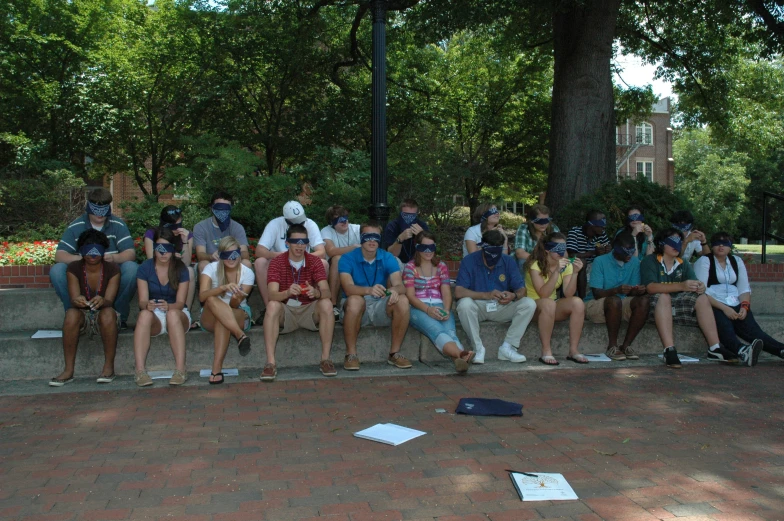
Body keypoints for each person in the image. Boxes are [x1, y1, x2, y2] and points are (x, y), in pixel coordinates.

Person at [50, 187, 136, 329]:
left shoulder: (118, 224)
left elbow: (130, 253)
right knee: (57, 270)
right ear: (88, 206)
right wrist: (82, 259)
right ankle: (74, 315)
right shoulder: (76, 226)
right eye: (96, 208)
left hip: (110, 276)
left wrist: (113, 258)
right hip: (83, 277)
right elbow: (59, 255)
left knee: (132, 268)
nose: (100, 214)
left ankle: (118, 316)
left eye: (104, 208)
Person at [640, 228, 725, 368]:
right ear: (661, 244)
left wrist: (699, 286)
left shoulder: (683, 263)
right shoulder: (650, 261)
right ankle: (669, 350)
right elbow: (650, 287)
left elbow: (693, 283)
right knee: (664, 296)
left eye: (679, 242)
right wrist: (681, 286)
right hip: (655, 309)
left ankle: (715, 348)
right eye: (672, 242)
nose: (677, 245)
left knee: (702, 298)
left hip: (679, 307)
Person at [261, 224, 336, 381]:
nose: (300, 245)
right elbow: (272, 295)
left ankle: (326, 359)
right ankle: (270, 363)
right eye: (295, 241)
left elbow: (327, 292)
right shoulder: (277, 262)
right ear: (287, 243)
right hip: (286, 309)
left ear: (308, 243)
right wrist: (287, 292)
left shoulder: (315, 261)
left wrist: (317, 293)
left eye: (303, 241)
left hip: (309, 309)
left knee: (327, 304)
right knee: (272, 306)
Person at [49, 230, 120, 386]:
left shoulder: (112, 269)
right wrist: (79, 300)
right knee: (71, 315)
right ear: (81, 251)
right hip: (83, 314)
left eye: (96, 251)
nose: (92, 255)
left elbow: (110, 299)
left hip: (105, 313)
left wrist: (103, 300)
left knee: (108, 314)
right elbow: (74, 298)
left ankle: (109, 367)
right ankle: (68, 370)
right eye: (87, 250)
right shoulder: (74, 268)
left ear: (103, 251)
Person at [455, 229, 536, 364]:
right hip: (478, 306)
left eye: (496, 252)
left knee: (529, 303)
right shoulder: (469, 260)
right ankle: (478, 348)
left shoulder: (508, 261)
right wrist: (485, 295)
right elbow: (458, 292)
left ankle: (507, 347)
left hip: (501, 306)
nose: (493, 256)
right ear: (482, 246)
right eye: (490, 252)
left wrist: (513, 295)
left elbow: (522, 290)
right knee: (464, 304)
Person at [694, 232, 778, 363]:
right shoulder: (705, 261)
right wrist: (725, 309)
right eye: (717, 243)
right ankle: (742, 351)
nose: (721, 246)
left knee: (754, 331)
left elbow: (744, 288)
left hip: (735, 302)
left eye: (725, 243)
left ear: (730, 246)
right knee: (725, 327)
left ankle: (780, 350)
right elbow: (701, 291)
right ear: (712, 245)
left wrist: (744, 306)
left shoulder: (736, 261)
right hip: (714, 303)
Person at [338, 222, 412, 371]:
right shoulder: (347, 258)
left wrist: (392, 291)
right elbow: (348, 288)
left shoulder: (387, 257)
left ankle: (394, 353)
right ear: (361, 239)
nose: (372, 241)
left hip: (380, 305)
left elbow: (400, 285)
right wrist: (368, 290)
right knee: (354, 301)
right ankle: (351, 354)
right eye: (367, 237)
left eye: (376, 237)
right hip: (356, 306)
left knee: (402, 300)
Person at [404, 231, 475, 373]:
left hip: (439, 304)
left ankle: (459, 361)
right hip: (418, 307)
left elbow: (446, 291)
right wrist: (427, 309)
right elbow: (410, 296)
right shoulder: (410, 267)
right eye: (424, 247)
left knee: (450, 332)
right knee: (438, 331)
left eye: (432, 247)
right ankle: (461, 354)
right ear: (417, 247)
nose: (429, 251)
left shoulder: (441, 266)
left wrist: (447, 309)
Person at [133, 227, 191, 387]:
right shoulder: (145, 267)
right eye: (159, 249)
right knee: (143, 314)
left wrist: (169, 306)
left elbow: (180, 303)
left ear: (173, 249)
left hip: (177, 313)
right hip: (155, 315)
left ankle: (180, 369)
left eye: (167, 249)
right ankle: (140, 371)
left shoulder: (181, 268)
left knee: (172, 314)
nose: (163, 253)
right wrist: (148, 305)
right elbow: (142, 301)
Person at [524, 232, 588, 365]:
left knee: (577, 303)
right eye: (557, 248)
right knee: (548, 303)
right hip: (532, 307)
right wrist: (556, 272)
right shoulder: (535, 265)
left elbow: (568, 294)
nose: (561, 252)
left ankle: (573, 350)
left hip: (551, 306)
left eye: (564, 248)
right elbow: (543, 294)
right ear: (547, 249)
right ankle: (546, 351)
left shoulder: (566, 265)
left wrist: (575, 272)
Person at [585, 232, 650, 360]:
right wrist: (616, 290)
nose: (629, 255)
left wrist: (638, 290)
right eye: (626, 252)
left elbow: (631, 291)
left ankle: (626, 345)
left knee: (643, 301)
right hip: (596, 303)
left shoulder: (635, 262)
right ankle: (612, 346)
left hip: (620, 301)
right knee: (614, 300)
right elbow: (597, 293)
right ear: (616, 248)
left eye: (632, 251)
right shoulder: (600, 261)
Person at [199, 236, 254, 384]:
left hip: (237, 312)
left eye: (234, 254)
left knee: (222, 320)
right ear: (220, 256)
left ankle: (216, 370)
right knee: (211, 299)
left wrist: (235, 298)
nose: (231, 258)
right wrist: (222, 288)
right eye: (226, 255)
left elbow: (235, 306)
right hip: (210, 314)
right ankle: (239, 335)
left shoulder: (247, 273)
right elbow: (202, 297)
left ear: (239, 255)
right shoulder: (210, 268)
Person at [254, 201, 327, 309]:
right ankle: (268, 306)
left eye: (301, 221)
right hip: (279, 265)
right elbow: (259, 251)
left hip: (303, 263)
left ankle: (315, 305)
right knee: (260, 262)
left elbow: (321, 252)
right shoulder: (275, 224)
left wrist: (303, 258)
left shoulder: (310, 224)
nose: (300, 224)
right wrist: (282, 256)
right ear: (286, 219)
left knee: (323, 263)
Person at [144, 205, 197, 324]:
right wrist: (169, 257)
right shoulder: (152, 234)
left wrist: (184, 241)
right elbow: (150, 260)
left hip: (177, 270)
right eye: (173, 226)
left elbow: (187, 262)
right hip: (159, 268)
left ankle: (185, 312)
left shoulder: (186, 234)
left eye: (179, 224)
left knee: (189, 271)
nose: (177, 229)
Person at [193, 191, 252, 275]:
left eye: (226, 208)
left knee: (246, 263)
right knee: (203, 264)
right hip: (212, 263)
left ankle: (239, 288)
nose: (222, 211)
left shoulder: (237, 227)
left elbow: (245, 254)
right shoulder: (200, 227)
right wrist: (211, 256)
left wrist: (231, 255)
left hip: (232, 262)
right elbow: (200, 254)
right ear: (211, 208)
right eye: (219, 207)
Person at [320, 205, 361, 316]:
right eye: (338, 219)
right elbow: (331, 251)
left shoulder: (357, 229)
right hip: (335, 268)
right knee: (338, 259)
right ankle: (333, 304)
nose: (344, 221)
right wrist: (354, 247)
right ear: (332, 222)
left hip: (356, 265)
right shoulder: (326, 231)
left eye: (345, 217)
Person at [566, 209, 612, 298]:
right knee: (582, 262)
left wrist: (607, 250)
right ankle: (582, 299)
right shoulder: (575, 232)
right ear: (591, 224)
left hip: (593, 264)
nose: (604, 228)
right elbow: (570, 255)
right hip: (572, 262)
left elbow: (607, 249)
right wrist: (593, 253)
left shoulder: (601, 234)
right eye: (601, 225)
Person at [384, 198, 430, 268]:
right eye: (405, 215)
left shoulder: (422, 225)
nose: (409, 218)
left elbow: (429, 251)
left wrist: (422, 236)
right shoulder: (392, 226)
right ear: (400, 213)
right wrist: (400, 239)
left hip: (417, 264)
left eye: (412, 215)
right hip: (398, 264)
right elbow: (391, 254)